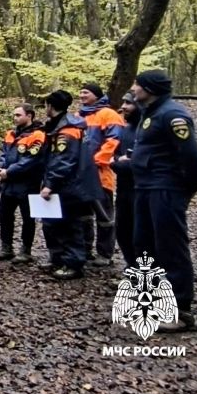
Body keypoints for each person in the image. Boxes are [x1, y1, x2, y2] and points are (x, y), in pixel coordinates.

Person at [126, 69, 197, 332]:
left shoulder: (173, 115)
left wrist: (185, 193)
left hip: (165, 190)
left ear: (150, 88)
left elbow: (194, 159)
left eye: (138, 84)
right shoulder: (149, 113)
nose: (133, 89)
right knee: (143, 245)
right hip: (145, 188)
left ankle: (180, 311)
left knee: (170, 247)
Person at [39, 90, 101, 280]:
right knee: (52, 223)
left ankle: (73, 263)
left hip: (70, 186)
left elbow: (64, 160)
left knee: (69, 224)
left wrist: (49, 184)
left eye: (46, 105)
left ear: (51, 106)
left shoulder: (68, 130)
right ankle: (57, 258)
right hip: (62, 183)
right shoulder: (56, 126)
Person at [77, 82, 125, 267]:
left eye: (86, 92)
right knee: (83, 214)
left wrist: (95, 161)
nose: (82, 96)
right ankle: (85, 248)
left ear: (96, 95)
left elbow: (114, 142)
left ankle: (105, 253)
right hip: (81, 174)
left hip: (100, 173)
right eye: (80, 92)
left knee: (104, 215)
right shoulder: (79, 116)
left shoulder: (109, 114)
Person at [0, 104, 44, 264]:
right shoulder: (11, 134)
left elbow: (31, 159)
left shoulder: (38, 135)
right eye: (14, 115)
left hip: (27, 183)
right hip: (8, 184)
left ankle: (26, 249)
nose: (15, 118)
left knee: (28, 218)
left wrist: (10, 171)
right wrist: (2, 168)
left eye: (18, 115)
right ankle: (6, 247)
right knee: (5, 215)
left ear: (29, 115)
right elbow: (3, 153)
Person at [111, 93, 139, 270]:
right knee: (122, 231)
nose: (123, 107)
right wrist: (117, 162)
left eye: (128, 103)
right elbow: (115, 157)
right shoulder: (125, 129)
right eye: (123, 102)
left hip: (142, 190)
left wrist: (124, 163)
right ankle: (131, 265)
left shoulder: (148, 130)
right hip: (123, 189)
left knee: (142, 234)